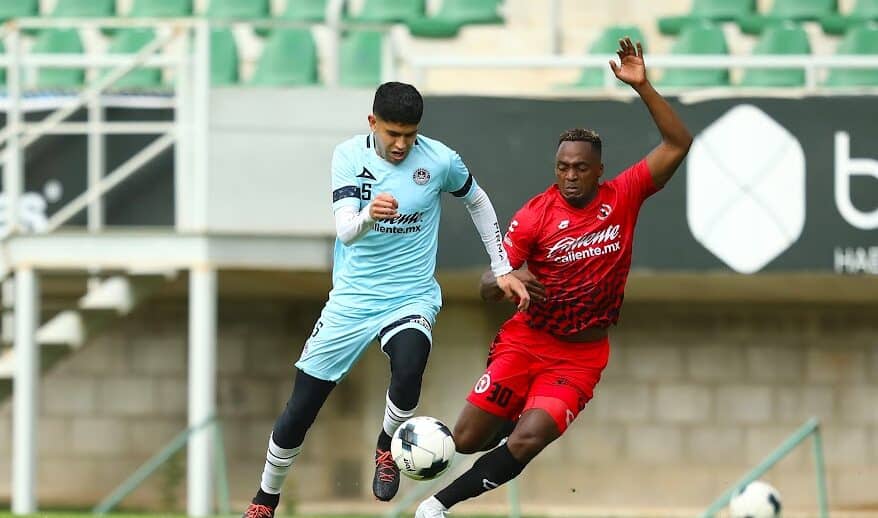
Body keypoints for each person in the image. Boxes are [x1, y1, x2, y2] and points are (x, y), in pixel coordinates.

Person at [415, 38, 693, 518]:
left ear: (599, 171)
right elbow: (486, 284)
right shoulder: (535, 216)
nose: (570, 176)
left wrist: (644, 86)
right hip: (527, 340)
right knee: (464, 439)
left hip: (580, 355)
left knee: (529, 436)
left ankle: (438, 506)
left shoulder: (623, 196)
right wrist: (505, 277)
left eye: (581, 168)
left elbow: (678, 143)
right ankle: (478, 429)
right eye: (563, 167)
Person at [242, 82, 530, 518]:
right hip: (352, 299)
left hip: (410, 294)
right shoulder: (348, 157)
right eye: (392, 133)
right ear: (372, 123)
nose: (400, 144)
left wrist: (502, 266)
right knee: (301, 409)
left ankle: (387, 445)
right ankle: (266, 498)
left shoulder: (439, 161)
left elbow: (477, 200)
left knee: (411, 361)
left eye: (409, 135)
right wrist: (368, 215)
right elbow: (343, 231)